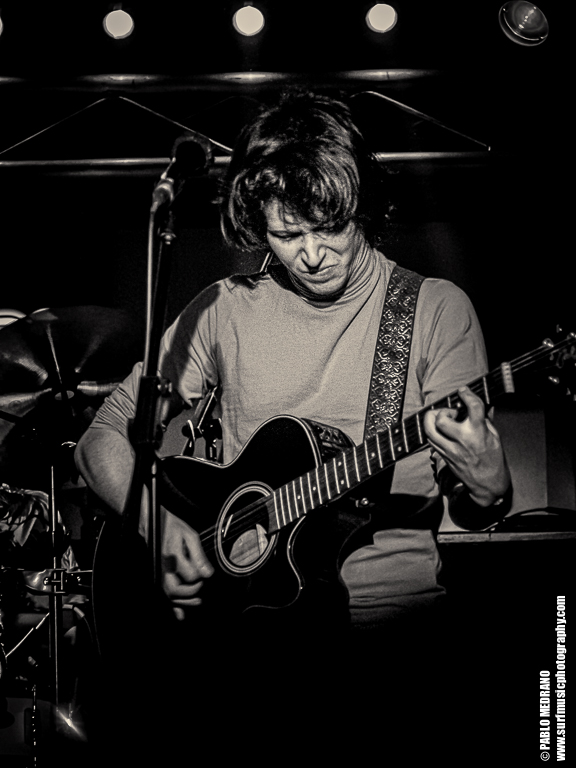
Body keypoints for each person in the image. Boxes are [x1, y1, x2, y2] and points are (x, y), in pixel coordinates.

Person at [75, 90, 512, 752]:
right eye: (287, 235)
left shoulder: (432, 310)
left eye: (329, 228)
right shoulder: (223, 311)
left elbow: (473, 507)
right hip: (247, 646)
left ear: (361, 204)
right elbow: (100, 441)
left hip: (388, 640)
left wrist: (489, 483)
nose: (311, 254)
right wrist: (156, 526)